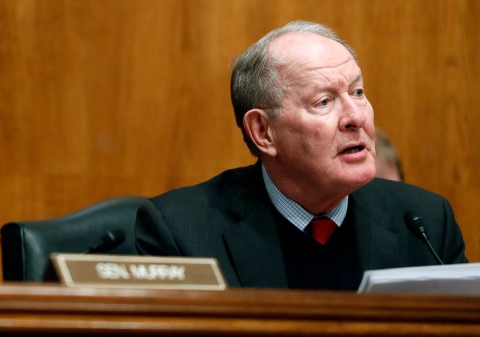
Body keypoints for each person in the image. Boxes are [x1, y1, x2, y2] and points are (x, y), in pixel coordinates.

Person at [135, 20, 467, 291]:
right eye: (324, 102)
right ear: (264, 132)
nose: (356, 116)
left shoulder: (425, 224)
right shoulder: (181, 233)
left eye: (358, 92)